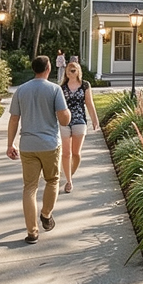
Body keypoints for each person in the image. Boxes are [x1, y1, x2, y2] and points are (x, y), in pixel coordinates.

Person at [6, 56, 70, 244]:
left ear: (34, 69)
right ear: (48, 68)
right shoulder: (55, 90)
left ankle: (32, 232)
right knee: (52, 180)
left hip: (27, 146)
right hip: (50, 145)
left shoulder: (21, 90)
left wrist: (10, 144)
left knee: (29, 187)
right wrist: (67, 112)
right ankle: (46, 214)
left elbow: (14, 119)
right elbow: (64, 120)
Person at [57, 62, 99, 194]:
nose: (71, 72)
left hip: (79, 120)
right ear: (66, 72)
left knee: (76, 153)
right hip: (65, 122)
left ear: (78, 71)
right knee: (66, 153)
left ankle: (69, 173)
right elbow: (57, 106)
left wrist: (95, 120)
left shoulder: (85, 85)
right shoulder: (62, 88)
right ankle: (69, 181)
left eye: (74, 70)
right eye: (69, 70)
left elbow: (89, 103)